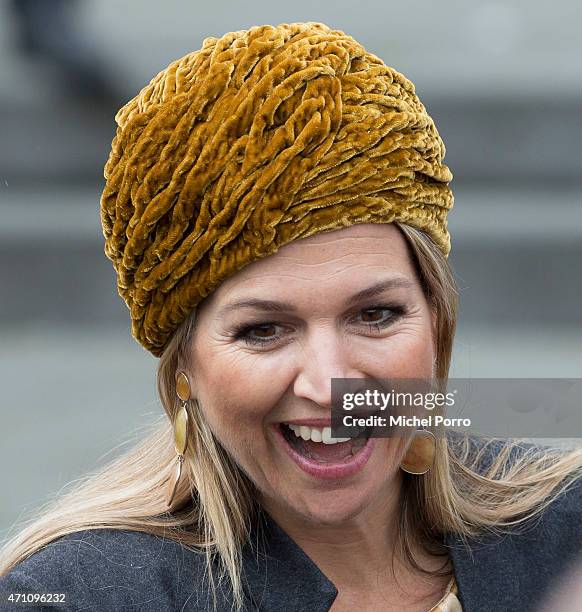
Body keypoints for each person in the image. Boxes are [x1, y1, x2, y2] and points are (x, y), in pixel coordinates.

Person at [1, 21, 581, 612]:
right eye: (264, 330)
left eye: (376, 314)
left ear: (437, 318)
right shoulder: (81, 595)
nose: (331, 384)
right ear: (184, 368)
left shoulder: (565, 531)